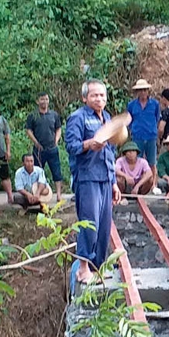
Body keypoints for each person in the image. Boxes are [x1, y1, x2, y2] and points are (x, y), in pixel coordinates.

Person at [64, 80, 121, 283]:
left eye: (102, 95)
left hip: (104, 178)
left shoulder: (106, 118)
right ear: (85, 98)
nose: (99, 99)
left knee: (104, 226)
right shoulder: (77, 118)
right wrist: (90, 144)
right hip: (87, 177)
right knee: (90, 224)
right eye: (95, 95)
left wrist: (114, 182)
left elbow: (110, 153)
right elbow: (71, 146)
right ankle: (83, 268)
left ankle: (98, 266)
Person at [26, 93, 64, 188]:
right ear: (37, 101)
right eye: (42, 99)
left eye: (46, 99)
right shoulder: (33, 116)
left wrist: (56, 141)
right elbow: (28, 130)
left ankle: (59, 194)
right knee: (37, 172)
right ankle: (36, 192)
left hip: (52, 148)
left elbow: (58, 128)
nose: (45, 101)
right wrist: (35, 142)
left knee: (56, 172)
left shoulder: (54, 115)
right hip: (39, 149)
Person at [126, 79, 161, 164]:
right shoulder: (131, 105)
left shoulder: (155, 104)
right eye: (140, 90)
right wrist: (133, 129)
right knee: (136, 161)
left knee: (152, 162)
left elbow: (157, 118)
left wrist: (152, 128)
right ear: (137, 92)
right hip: (137, 136)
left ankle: (152, 177)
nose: (143, 92)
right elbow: (129, 119)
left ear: (148, 91)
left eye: (145, 90)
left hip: (151, 136)